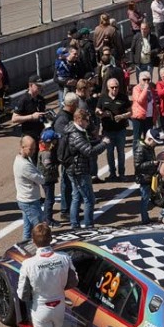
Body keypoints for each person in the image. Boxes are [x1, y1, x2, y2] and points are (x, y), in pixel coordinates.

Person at [17, 223, 77, 327]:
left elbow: (22, 294)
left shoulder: (28, 264)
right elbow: (74, 281)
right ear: (51, 238)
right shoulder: (64, 258)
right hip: (59, 304)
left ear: (33, 241)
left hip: (41, 307)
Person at [62, 109, 110, 229]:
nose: (88, 123)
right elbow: (89, 151)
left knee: (77, 197)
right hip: (79, 170)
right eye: (87, 120)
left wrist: (98, 141)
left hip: (75, 169)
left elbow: (87, 144)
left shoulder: (75, 130)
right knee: (89, 199)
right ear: (79, 120)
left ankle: (75, 224)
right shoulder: (76, 134)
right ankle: (88, 225)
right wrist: (104, 144)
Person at [96, 78, 132, 182]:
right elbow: (97, 110)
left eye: (116, 87)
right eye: (112, 87)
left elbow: (130, 112)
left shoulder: (123, 97)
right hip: (108, 130)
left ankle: (122, 174)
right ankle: (112, 173)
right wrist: (102, 113)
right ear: (108, 88)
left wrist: (122, 116)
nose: (115, 89)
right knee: (109, 153)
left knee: (121, 153)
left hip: (120, 130)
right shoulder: (103, 97)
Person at [13, 135, 45, 242]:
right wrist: (40, 175)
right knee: (40, 228)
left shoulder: (24, 158)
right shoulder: (24, 165)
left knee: (28, 229)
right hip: (29, 201)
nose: (33, 151)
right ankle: (41, 246)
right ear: (22, 147)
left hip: (26, 199)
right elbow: (41, 179)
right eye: (31, 149)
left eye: (34, 149)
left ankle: (25, 244)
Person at [54, 93, 78, 222]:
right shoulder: (62, 119)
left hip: (70, 154)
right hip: (65, 156)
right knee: (66, 183)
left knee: (70, 183)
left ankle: (71, 206)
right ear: (72, 105)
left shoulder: (67, 116)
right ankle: (65, 210)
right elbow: (63, 139)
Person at [134, 129, 163, 223]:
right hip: (144, 178)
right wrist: (152, 163)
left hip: (149, 177)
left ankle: (145, 218)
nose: (155, 144)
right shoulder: (140, 149)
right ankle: (145, 219)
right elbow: (138, 166)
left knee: (148, 198)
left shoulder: (148, 147)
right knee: (145, 199)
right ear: (149, 139)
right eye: (155, 141)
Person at [11, 75, 48, 142]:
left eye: (41, 86)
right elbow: (14, 119)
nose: (40, 88)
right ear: (30, 85)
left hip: (40, 133)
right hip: (29, 135)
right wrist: (31, 117)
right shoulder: (23, 100)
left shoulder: (41, 99)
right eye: (38, 86)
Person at [37, 129, 60, 227]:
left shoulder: (44, 149)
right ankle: (48, 220)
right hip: (47, 179)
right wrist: (58, 163)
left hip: (46, 178)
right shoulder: (46, 153)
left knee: (49, 199)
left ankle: (47, 218)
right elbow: (48, 167)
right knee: (49, 200)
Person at [130, 72, 155, 147]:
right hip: (139, 117)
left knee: (149, 138)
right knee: (137, 138)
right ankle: (136, 153)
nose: (146, 82)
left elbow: (153, 102)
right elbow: (140, 100)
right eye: (144, 79)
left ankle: (148, 153)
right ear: (139, 80)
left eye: (148, 80)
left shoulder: (151, 88)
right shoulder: (136, 88)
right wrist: (145, 89)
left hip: (149, 116)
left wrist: (155, 115)